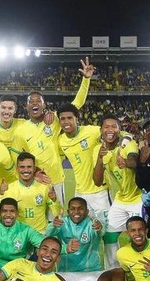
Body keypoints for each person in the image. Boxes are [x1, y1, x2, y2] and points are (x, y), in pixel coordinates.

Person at [18, 57, 95, 204]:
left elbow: (77, 104)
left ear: (44, 105)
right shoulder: (20, 129)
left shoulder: (54, 119)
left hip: (56, 180)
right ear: (26, 107)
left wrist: (86, 80)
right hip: (33, 180)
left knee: (57, 218)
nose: (34, 103)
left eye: (38, 101)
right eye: (31, 102)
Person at [47, 197, 129, 281]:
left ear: (86, 211)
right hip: (66, 275)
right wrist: (52, 226)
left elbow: (101, 231)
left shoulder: (93, 223)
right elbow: (46, 237)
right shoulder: (61, 223)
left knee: (118, 272)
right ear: (68, 211)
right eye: (73, 209)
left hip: (92, 275)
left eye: (80, 209)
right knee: (46, 276)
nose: (76, 212)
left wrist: (99, 228)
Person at [93, 114, 142, 269]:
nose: (110, 130)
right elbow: (97, 181)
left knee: (139, 235)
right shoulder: (99, 150)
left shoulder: (128, 144)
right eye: (106, 127)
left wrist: (125, 161)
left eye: (114, 126)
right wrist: (100, 160)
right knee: (110, 234)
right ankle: (113, 271)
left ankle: (140, 269)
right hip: (120, 200)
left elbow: (134, 160)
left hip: (138, 199)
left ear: (119, 130)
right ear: (100, 130)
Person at [57, 104, 109, 218]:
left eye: (70, 118)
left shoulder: (92, 131)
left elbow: (113, 132)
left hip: (99, 192)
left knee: (106, 230)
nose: (66, 122)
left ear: (77, 118)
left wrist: (126, 141)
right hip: (79, 192)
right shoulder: (60, 141)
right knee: (82, 230)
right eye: (62, 119)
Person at [0, 152, 61, 233]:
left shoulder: (44, 188)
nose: (26, 170)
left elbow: (57, 213)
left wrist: (54, 200)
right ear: (17, 169)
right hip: (19, 235)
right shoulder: (9, 189)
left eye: (29, 167)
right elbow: (0, 216)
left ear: (34, 169)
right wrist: (0, 194)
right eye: (22, 167)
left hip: (40, 233)